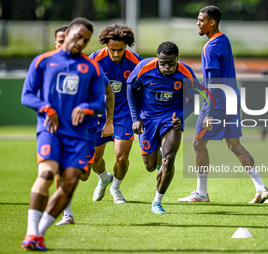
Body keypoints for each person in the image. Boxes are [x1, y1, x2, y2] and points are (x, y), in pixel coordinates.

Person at [21, 17, 106, 250]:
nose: (81, 43)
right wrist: (46, 108)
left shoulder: (92, 68)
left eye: (86, 40)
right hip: (51, 130)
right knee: (47, 174)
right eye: (78, 36)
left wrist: (87, 107)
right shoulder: (43, 61)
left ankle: (39, 234)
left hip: (79, 135)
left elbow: (100, 101)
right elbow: (27, 95)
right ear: (68, 33)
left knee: (70, 182)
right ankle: (30, 232)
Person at [178, 5, 268, 203]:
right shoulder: (223, 39)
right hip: (231, 98)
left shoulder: (210, 47)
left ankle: (201, 193)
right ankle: (261, 188)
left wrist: (209, 112)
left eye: (201, 20)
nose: (198, 23)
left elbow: (214, 82)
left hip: (217, 102)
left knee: (198, 143)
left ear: (212, 22)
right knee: (234, 144)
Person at [127, 41, 197, 214]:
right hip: (148, 117)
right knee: (150, 166)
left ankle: (157, 201)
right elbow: (131, 88)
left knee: (169, 158)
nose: (167, 67)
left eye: (171, 64)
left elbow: (194, 98)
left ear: (177, 60)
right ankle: (159, 162)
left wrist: (180, 117)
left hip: (171, 117)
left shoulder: (186, 72)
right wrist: (135, 118)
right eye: (163, 63)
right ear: (157, 59)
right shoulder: (144, 67)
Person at [54, 26, 115, 225]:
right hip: (58, 127)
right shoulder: (47, 64)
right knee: (59, 169)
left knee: (83, 175)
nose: (64, 44)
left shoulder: (90, 66)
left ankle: (105, 178)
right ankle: (66, 215)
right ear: (56, 43)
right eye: (60, 41)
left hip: (86, 128)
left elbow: (108, 91)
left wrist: (107, 120)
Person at [89, 24, 142, 203]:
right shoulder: (94, 60)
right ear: (106, 45)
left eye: (120, 50)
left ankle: (116, 188)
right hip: (98, 115)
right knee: (94, 159)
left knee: (122, 156)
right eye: (112, 50)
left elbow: (143, 88)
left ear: (126, 45)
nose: (116, 54)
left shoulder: (136, 62)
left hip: (125, 114)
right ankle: (104, 179)